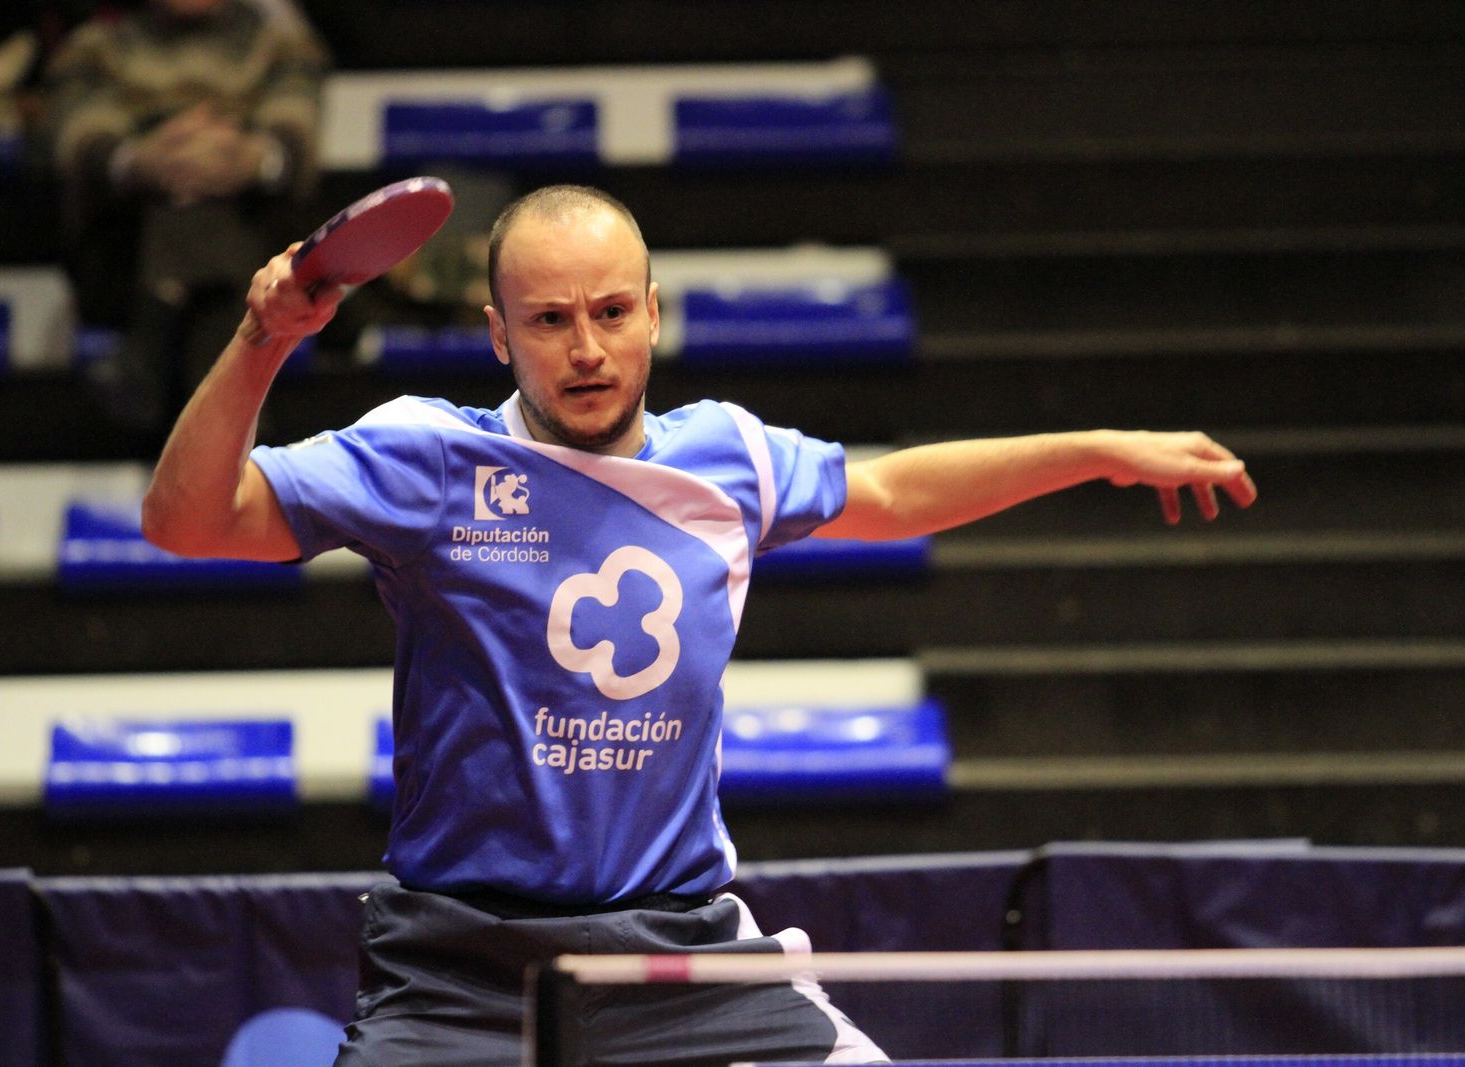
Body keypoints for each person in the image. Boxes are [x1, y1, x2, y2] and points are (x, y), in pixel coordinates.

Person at [141, 184, 1259, 1066]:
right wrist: (262, 340)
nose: (586, 348)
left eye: (611, 311)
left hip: (680, 951)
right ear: (497, 335)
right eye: (549, 319)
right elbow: (186, 523)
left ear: (652, 312)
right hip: (458, 965)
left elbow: (895, 494)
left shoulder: (725, 456)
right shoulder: (429, 457)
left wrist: (1098, 449)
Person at [44, 0, 328, 436]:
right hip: (129, 250)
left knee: (210, 212)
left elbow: (296, 134)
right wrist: (141, 161)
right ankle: (239, 447)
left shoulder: (280, 42)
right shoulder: (93, 47)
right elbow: (81, 142)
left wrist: (249, 159)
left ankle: (150, 345)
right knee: (193, 210)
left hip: (251, 236)